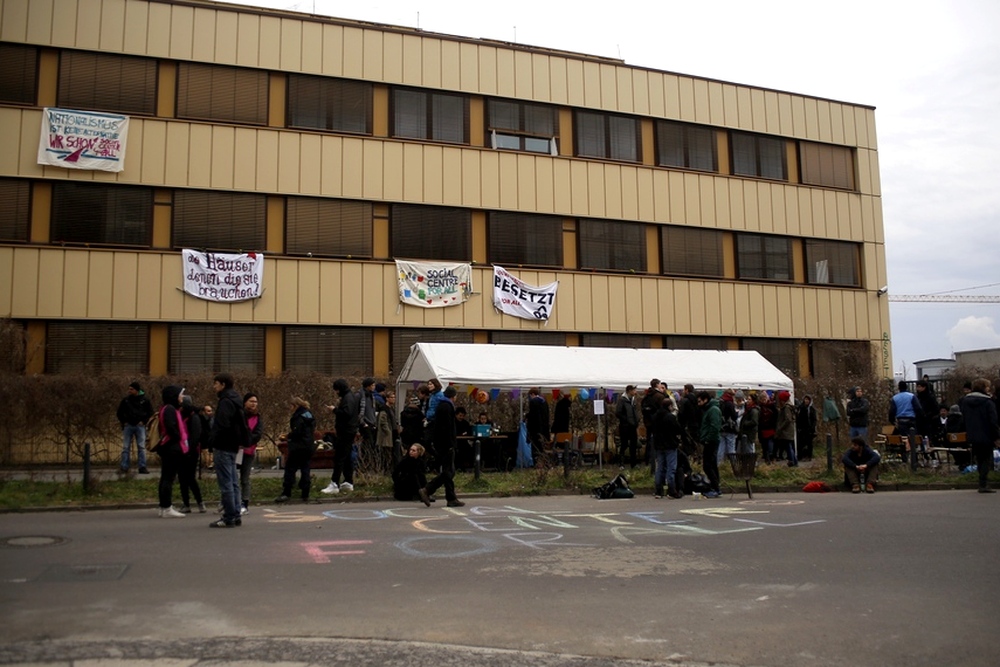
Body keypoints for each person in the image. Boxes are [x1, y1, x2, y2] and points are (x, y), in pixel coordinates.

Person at [208, 372, 248, 528]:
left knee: (226, 483)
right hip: (233, 446)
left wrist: (212, 440)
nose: (214, 387)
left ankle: (229, 516)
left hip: (223, 445)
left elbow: (222, 424)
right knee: (233, 482)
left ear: (223, 385)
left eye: (216, 383)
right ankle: (236, 514)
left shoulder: (225, 402)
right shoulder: (236, 400)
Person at [420, 386, 465, 508]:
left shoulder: (441, 405)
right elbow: (448, 427)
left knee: (449, 471)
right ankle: (428, 489)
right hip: (446, 444)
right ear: (453, 396)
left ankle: (451, 498)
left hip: (441, 443)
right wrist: (451, 444)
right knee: (448, 471)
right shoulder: (447, 406)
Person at [959, 378, 999, 493]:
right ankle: (983, 483)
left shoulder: (965, 401)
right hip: (986, 434)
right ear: (984, 388)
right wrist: (996, 436)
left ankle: (981, 482)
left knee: (979, 459)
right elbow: (993, 421)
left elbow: (964, 418)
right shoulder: (988, 402)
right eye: (987, 386)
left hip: (972, 434)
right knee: (986, 459)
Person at [154, 385, 188, 518]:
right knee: (169, 478)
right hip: (172, 448)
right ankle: (167, 507)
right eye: (181, 394)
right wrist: (178, 437)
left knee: (165, 477)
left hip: (168, 447)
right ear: (174, 396)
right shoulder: (170, 409)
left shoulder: (166, 408)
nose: (182, 397)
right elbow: (171, 427)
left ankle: (163, 506)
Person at [323, 378, 360, 495]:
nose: (337, 393)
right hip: (350, 431)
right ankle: (348, 481)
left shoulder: (347, 398)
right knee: (347, 457)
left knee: (339, 458)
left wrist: (335, 410)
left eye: (337, 390)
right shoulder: (352, 397)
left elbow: (346, 414)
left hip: (345, 432)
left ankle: (334, 483)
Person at [276, 396, 316, 503]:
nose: (290, 409)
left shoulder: (297, 416)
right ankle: (305, 492)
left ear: (295, 406)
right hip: (308, 446)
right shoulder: (309, 414)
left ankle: (287, 492)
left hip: (298, 447)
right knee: (305, 468)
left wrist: (287, 436)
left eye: (290, 406)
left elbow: (297, 432)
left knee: (290, 468)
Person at [116, 381, 153, 475]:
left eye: (131, 389)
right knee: (126, 447)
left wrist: (143, 421)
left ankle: (142, 467)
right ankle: (124, 466)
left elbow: (150, 413)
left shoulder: (144, 401)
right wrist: (124, 422)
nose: (129, 391)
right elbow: (119, 413)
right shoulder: (126, 401)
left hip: (140, 426)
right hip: (129, 426)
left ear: (137, 390)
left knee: (141, 447)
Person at [178, 395, 206, 514]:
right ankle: (186, 503)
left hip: (191, 452)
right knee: (182, 478)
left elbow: (195, 436)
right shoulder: (182, 416)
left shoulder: (193, 417)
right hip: (182, 450)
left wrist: (189, 451)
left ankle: (200, 502)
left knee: (190, 478)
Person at [651, 396, 682, 499]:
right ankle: (671, 490)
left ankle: (658, 491)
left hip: (658, 445)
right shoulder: (670, 417)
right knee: (671, 468)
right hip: (670, 444)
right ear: (669, 406)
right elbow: (678, 429)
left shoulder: (655, 416)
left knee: (660, 468)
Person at [239, 392, 262, 515]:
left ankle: (244, 503)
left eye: (255, 402)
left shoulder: (257, 417)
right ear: (245, 402)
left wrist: (247, 442)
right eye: (251, 401)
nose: (254, 404)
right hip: (236, 450)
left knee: (245, 478)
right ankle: (228, 501)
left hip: (248, 451)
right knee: (231, 477)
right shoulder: (239, 415)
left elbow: (257, 434)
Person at [697, 391, 722, 498]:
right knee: (711, 464)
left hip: (711, 441)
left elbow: (714, 427)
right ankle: (715, 486)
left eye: (699, 401)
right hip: (709, 440)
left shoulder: (713, 410)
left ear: (705, 400)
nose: (698, 404)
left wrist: (707, 439)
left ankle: (715, 487)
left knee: (707, 465)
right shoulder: (708, 409)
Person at [615, 385, 640, 468]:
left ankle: (634, 463)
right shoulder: (622, 400)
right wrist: (626, 420)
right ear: (629, 391)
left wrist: (636, 420)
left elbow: (635, 412)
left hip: (633, 426)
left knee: (633, 445)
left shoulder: (633, 400)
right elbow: (618, 413)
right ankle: (621, 463)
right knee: (624, 444)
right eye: (634, 390)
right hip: (625, 426)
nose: (635, 391)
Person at [376, 390, 401, 469]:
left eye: (394, 397)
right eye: (391, 397)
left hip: (393, 433)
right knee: (386, 453)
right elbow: (383, 422)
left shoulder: (391, 408)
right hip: (387, 435)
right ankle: (385, 469)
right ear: (387, 398)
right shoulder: (384, 409)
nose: (393, 399)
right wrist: (388, 431)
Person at [525, 387, 550, 462]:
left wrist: (527, 416)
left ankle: (536, 462)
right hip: (544, 429)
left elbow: (533, 416)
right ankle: (543, 462)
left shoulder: (533, 402)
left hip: (535, 429)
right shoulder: (544, 402)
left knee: (535, 447)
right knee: (542, 447)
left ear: (532, 394)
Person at [775, 390, 798, 467]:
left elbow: (788, 419)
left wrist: (781, 427)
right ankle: (794, 461)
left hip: (786, 431)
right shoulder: (790, 406)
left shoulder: (786, 408)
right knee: (790, 446)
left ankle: (792, 461)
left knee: (788, 447)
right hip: (789, 430)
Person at [358, 377, 378, 461]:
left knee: (372, 445)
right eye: (372, 385)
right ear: (368, 386)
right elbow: (358, 411)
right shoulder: (360, 395)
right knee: (367, 445)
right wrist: (363, 423)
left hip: (372, 423)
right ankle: (364, 463)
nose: (374, 387)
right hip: (365, 423)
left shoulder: (371, 396)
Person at [718, 390, 738, 465]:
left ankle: (719, 464)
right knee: (731, 448)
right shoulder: (730, 403)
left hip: (721, 428)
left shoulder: (720, 402)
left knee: (721, 448)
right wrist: (736, 412)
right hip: (730, 428)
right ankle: (733, 465)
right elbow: (734, 417)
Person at [796, 395, 817, 461]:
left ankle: (809, 456)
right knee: (800, 443)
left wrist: (812, 428)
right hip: (801, 428)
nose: (806, 401)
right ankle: (800, 456)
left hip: (809, 429)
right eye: (805, 399)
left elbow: (814, 419)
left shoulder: (811, 409)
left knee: (809, 443)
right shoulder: (801, 407)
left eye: (807, 400)